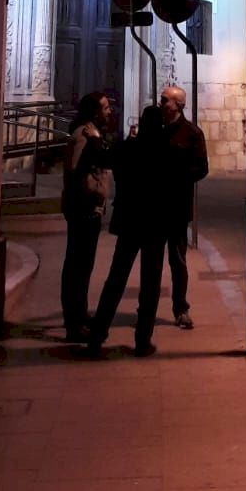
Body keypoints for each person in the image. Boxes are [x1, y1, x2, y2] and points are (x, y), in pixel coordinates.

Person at [87, 105, 169, 357]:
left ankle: (97, 335)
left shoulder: (127, 148)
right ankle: (143, 340)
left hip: (130, 220)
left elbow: (101, 158)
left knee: (116, 278)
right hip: (155, 222)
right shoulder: (166, 150)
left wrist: (94, 140)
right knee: (151, 283)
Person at [60, 90, 112, 342]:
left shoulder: (92, 134)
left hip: (87, 207)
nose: (109, 111)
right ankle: (74, 322)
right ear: (94, 112)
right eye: (105, 107)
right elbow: (77, 171)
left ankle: (79, 315)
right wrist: (94, 194)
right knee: (77, 267)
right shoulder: (84, 135)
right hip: (83, 208)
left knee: (83, 265)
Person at [159, 83, 209, 329]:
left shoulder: (192, 133)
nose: (161, 104)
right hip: (155, 206)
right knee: (152, 260)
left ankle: (181, 308)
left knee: (178, 261)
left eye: (165, 100)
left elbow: (202, 168)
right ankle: (146, 307)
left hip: (177, 206)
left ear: (178, 105)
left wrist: (178, 177)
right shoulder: (156, 131)